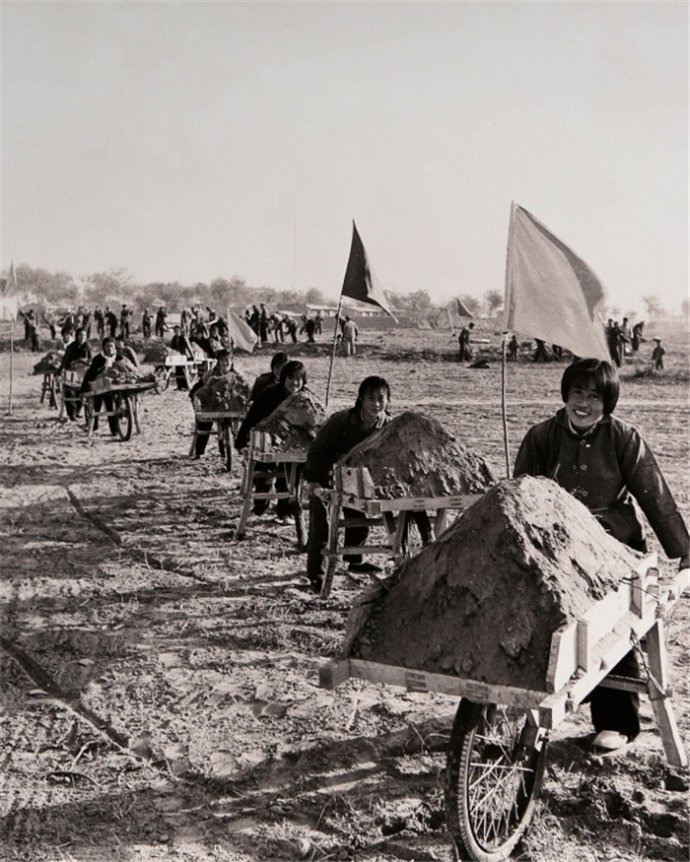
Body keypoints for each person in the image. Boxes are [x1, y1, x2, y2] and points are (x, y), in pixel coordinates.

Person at [514, 358, 689, 752]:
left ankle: (617, 723)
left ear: (608, 403)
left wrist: (684, 553)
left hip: (614, 549)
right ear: (566, 395)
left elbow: (655, 497)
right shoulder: (541, 437)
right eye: (578, 393)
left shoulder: (623, 439)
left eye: (595, 397)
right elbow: (519, 498)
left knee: (615, 631)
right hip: (558, 548)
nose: (584, 404)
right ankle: (535, 705)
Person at [303, 376, 392, 593]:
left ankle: (355, 560)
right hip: (327, 474)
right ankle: (316, 574)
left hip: (358, 479)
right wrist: (313, 483)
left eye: (381, 399)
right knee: (321, 525)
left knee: (358, 520)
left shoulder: (389, 427)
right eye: (371, 399)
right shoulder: (342, 421)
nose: (376, 404)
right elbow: (317, 450)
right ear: (361, 399)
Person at [235, 360, 308, 523]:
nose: (295, 383)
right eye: (291, 378)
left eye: (299, 379)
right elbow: (251, 418)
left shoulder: (305, 398)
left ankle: (285, 511)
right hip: (268, 442)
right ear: (283, 378)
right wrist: (241, 442)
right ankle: (261, 502)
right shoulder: (269, 394)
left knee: (291, 475)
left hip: (293, 445)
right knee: (265, 474)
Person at [189, 349, 235, 462]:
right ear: (218, 362)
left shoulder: (235, 376)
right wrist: (196, 400)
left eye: (227, 360)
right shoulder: (211, 375)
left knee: (227, 424)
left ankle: (225, 451)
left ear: (232, 361)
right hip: (210, 405)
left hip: (227, 407)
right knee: (204, 424)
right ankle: (199, 451)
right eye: (222, 361)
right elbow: (196, 390)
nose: (225, 363)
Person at [80, 338, 121, 434]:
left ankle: (114, 430)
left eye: (111, 346)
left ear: (115, 347)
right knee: (97, 405)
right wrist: (83, 390)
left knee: (112, 405)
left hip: (116, 386)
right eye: (107, 346)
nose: (109, 349)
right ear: (103, 347)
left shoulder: (119, 358)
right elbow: (89, 375)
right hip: (99, 385)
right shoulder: (98, 359)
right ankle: (94, 426)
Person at [169, 325, 194, 390]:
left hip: (183, 355)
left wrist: (192, 356)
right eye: (175, 331)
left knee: (183, 371)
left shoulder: (183, 338)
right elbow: (172, 347)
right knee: (177, 371)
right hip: (177, 356)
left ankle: (185, 386)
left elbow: (189, 347)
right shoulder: (174, 338)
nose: (176, 332)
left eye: (177, 330)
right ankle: (179, 386)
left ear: (180, 331)